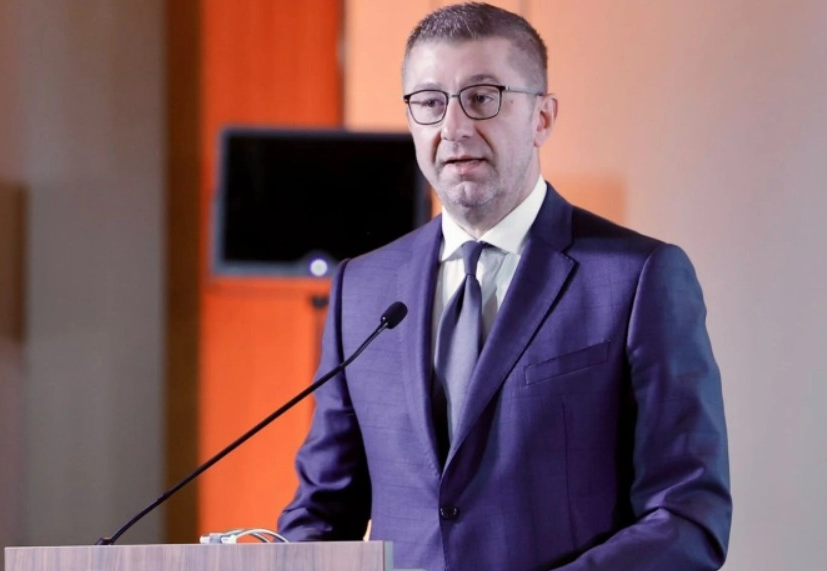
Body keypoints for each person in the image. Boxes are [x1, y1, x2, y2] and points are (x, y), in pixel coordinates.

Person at [278, 3, 731, 570]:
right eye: (430, 102)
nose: (454, 127)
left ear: (542, 117)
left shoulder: (639, 278)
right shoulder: (361, 290)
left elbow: (689, 514)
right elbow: (323, 512)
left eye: (482, 97)